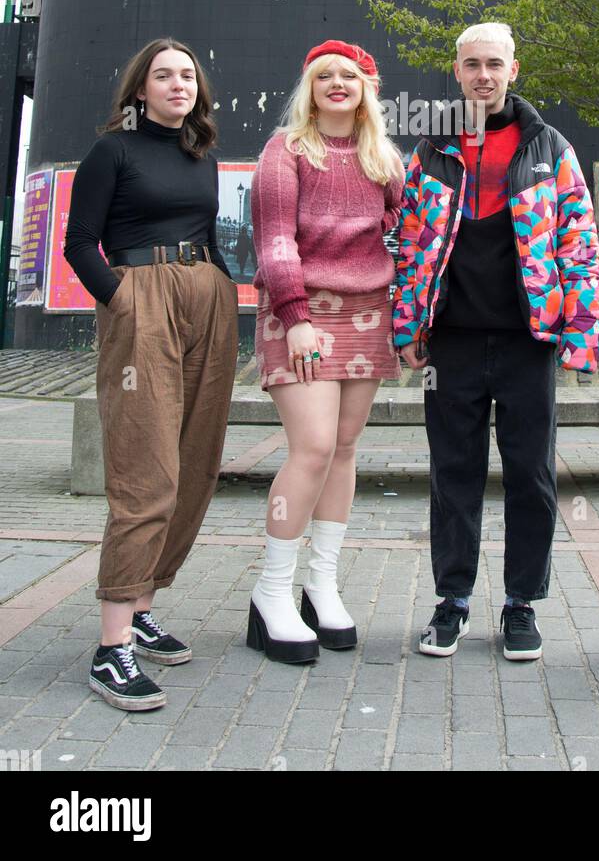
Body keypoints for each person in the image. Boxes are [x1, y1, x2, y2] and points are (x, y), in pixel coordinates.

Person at [394, 22, 599, 660]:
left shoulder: (549, 148)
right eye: (471, 64)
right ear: (456, 72)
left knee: (531, 475)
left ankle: (521, 605)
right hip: (450, 343)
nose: (483, 75)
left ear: (515, 71)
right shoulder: (429, 151)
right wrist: (407, 327)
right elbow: (404, 243)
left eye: (494, 64)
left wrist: (579, 335)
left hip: (527, 342)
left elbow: (579, 242)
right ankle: (451, 601)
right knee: (452, 474)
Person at [64, 39, 239, 711]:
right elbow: (80, 241)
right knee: (146, 469)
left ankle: (141, 606)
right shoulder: (114, 150)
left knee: (195, 463)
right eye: (163, 75)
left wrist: (221, 290)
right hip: (142, 301)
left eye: (187, 74)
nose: (177, 84)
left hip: (206, 300)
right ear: (140, 90)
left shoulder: (201, 154)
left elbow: (210, 233)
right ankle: (110, 650)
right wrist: (121, 298)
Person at [248, 40, 405, 663]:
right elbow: (274, 239)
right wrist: (295, 317)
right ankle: (271, 592)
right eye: (324, 77)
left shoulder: (382, 158)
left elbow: (409, 233)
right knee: (311, 448)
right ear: (309, 89)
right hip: (302, 313)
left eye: (349, 76)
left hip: (369, 312)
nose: (337, 84)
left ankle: (322, 583)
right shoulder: (284, 152)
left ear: (366, 88)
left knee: (342, 448)